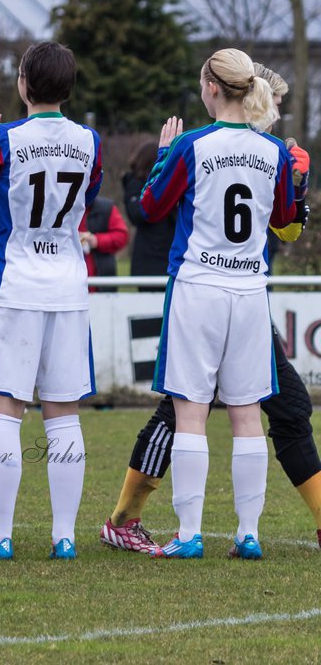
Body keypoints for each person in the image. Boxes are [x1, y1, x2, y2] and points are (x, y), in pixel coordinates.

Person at [101, 60, 318, 555]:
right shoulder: (273, 151)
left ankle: (190, 535)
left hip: (199, 286)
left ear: (211, 88)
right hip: (248, 292)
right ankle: (249, 536)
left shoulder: (191, 144)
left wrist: (161, 156)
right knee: (246, 417)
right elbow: (287, 218)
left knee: (191, 412)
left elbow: (152, 206)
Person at [0, 41, 102, 561]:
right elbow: (89, 198)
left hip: (14, 286)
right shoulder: (89, 140)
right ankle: (64, 537)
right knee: (64, 414)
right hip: (69, 286)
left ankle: (0, 535)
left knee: (5, 411)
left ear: (24, 84)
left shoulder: (4, 139)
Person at [122, 142, 176, 284]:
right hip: (148, 260)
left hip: (170, 257)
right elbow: (136, 214)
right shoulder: (135, 183)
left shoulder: (173, 184)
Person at [78, 196, 128, 286]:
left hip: (100, 284)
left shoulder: (106, 208)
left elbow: (121, 236)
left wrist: (97, 240)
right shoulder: (56, 206)